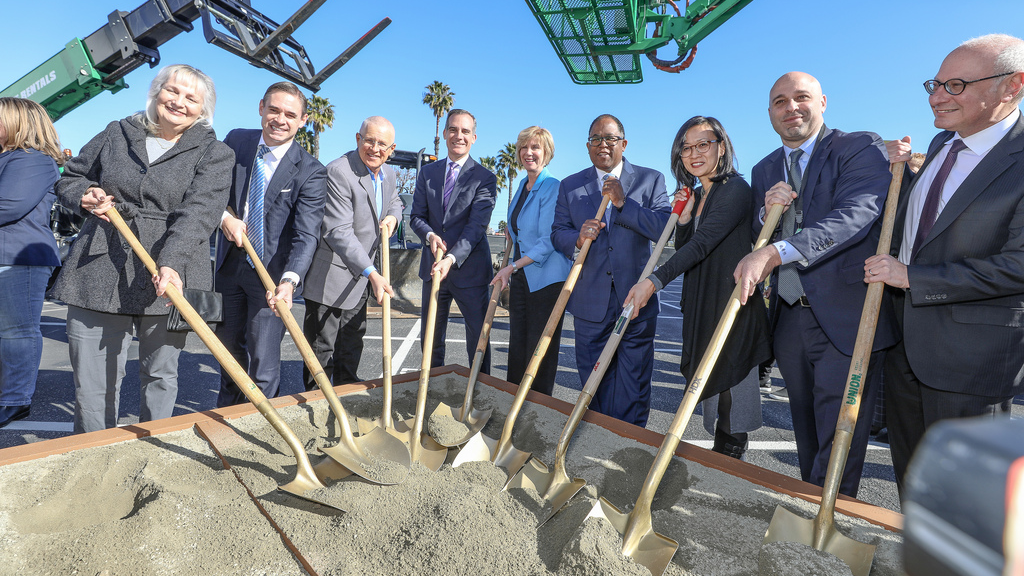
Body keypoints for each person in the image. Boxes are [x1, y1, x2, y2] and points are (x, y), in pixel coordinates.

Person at [866, 34, 1024, 494]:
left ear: (1012, 86)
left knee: (964, 502)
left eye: (955, 85)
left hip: (969, 363)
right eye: (935, 84)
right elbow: (931, 227)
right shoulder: (940, 146)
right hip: (905, 345)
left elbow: (1018, 264)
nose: (937, 96)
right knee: (912, 485)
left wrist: (912, 277)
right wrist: (902, 175)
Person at [732, 72, 898, 497]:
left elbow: (855, 215)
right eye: (780, 101)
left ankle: (831, 518)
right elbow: (759, 232)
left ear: (822, 101)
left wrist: (774, 253)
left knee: (840, 431)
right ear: (769, 112)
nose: (791, 108)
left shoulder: (857, 146)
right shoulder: (764, 167)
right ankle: (809, 504)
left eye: (801, 97)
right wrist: (764, 215)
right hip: (788, 317)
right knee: (804, 425)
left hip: (847, 317)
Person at [52, 64, 233, 433]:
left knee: (160, 375)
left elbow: (199, 213)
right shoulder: (117, 132)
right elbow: (72, 176)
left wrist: (171, 264)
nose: (179, 102)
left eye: (191, 97)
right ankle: (93, 454)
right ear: (156, 93)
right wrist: (85, 194)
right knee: (93, 382)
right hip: (100, 265)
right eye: (172, 91)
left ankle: (153, 454)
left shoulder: (216, 153)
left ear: (203, 109)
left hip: (170, 272)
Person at [624, 116, 771, 458]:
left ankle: (730, 474)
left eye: (704, 144)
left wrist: (654, 282)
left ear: (722, 147)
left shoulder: (735, 189)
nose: (694, 153)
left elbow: (702, 245)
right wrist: (687, 216)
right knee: (715, 400)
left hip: (731, 308)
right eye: (687, 147)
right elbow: (689, 241)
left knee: (732, 404)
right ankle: (719, 468)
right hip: (703, 306)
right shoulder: (702, 193)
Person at [551, 114, 671, 427]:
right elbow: (558, 232)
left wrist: (623, 204)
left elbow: (663, 228)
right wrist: (577, 238)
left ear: (624, 143)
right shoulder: (570, 185)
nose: (602, 145)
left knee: (633, 382)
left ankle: (629, 447)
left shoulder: (650, 179)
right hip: (590, 304)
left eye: (610, 138)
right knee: (594, 383)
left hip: (636, 303)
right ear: (588, 145)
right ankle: (597, 440)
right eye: (595, 139)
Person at [214, 82, 326, 407]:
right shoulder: (237, 141)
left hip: (270, 280)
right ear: (261, 107)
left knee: (263, 367)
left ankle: (261, 432)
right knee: (229, 360)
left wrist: (289, 282)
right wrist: (224, 217)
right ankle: (226, 426)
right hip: (229, 268)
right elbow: (213, 190)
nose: (280, 119)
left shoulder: (310, 171)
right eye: (274, 110)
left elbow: (307, 235)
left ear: (302, 120)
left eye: (290, 114)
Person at [302, 116, 403, 387]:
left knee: (351, 342)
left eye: (382, 144)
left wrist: (393, 217)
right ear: (358, 139)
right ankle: (317, 404)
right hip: (331, 276)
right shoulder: (339, 171)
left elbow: (395, 202)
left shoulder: (389, 174)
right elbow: (338, 231)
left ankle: (347, 399)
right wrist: (372, 273)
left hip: (361, 279)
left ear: (391, 150)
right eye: (369, 140)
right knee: (322, 348)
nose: (375, 148)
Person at [409, 109, 497, 371]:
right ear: (445, 133)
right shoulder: (428, 173)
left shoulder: (485, 178)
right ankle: (431, 391)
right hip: (433, 269)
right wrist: (429, 234)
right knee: (431, 339)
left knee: (477, 342)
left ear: (474, 137)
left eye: (465, 131)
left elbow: (476, 227)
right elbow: (416, 217)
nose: (459, 136)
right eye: (454, 130)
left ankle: (479, 397)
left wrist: (451, 257)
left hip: (469, 271)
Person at [491, 127, 571, 394]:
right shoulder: (523, 187)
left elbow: (548, 239)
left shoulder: (552, 186)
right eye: (524, 148)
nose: (528, 153)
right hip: (523, 278)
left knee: (540, 351)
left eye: (535, 147)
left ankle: (538, 410)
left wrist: (512, 267)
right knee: (518, 345)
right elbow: (520, 231)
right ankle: (512, 403)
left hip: (547, 281)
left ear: (546, 153)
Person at [0, 98, 64, 429]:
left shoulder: (32, 160)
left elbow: (7, 205)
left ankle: (14, 399)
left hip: (18, 258)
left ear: (18, 123)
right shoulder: (8, 158)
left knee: (17, 331)